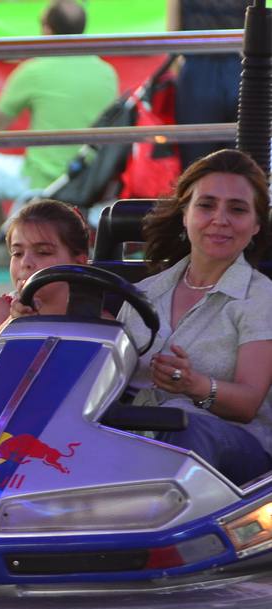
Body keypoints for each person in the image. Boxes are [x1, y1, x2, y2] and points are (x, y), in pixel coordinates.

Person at [120, 149, 272, 485]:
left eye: (237, 209)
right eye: (206, 205)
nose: (220, 219)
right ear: (185, 214)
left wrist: (195, 385)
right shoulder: (144, 293)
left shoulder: (261, 297)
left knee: (184, 427)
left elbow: (248, 403)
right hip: (139, 435)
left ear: (256, 225)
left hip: (235, 448)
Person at [0, 0, 117, 236]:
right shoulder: (107, 73)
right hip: (92, 183)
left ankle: (6, 243)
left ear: (47, 31)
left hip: (41, 181)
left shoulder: (34, 70)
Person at [0, 198, 92, 352]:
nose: (25, 262)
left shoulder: (95, 315)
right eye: (17, 253)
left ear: (79, 262)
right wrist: (14, 320)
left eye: (43, 252)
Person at [169, 0, 245, 169]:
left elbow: (173, 30)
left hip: (200, 65)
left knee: (197, 158)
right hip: (237, 62)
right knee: (240, 157)